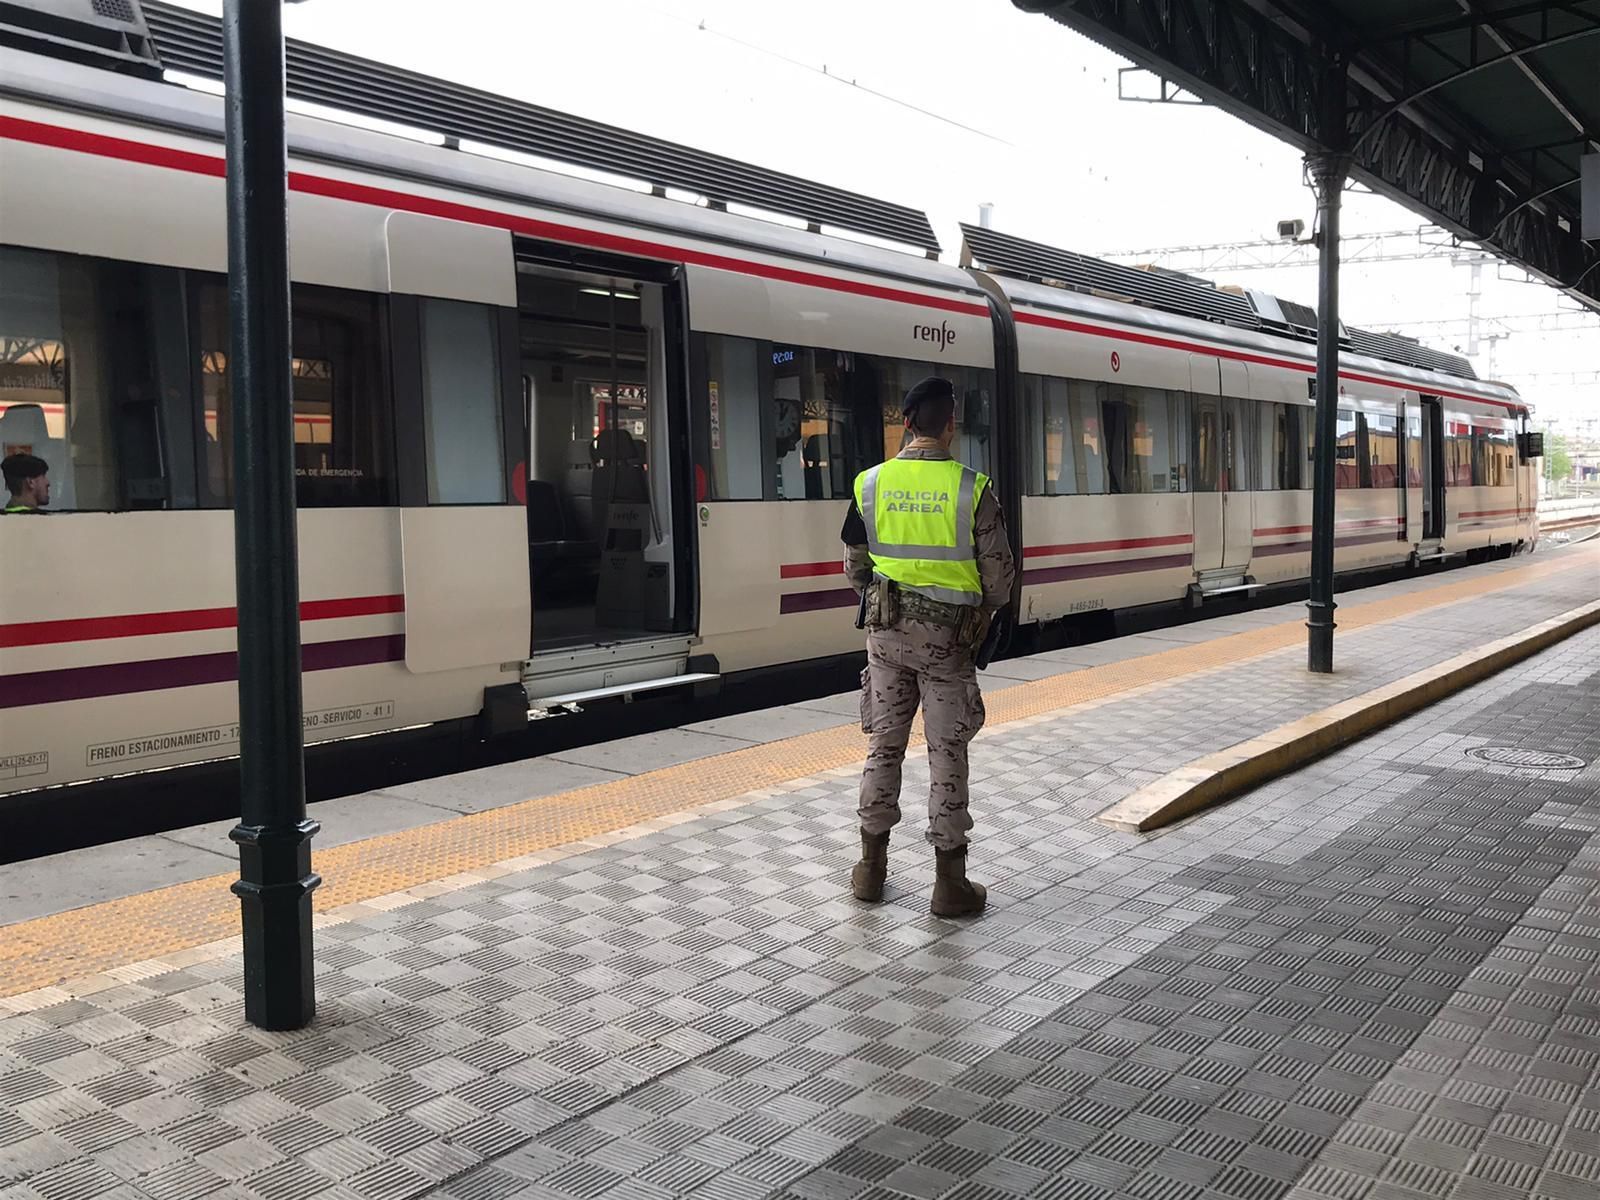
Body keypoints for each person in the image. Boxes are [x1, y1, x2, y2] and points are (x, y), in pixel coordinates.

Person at [841, 377, 1015, 918]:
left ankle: (870, 871)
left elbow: (855, 567)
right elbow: (1001, 580)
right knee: (947, 754)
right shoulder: (972, 489)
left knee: (883, 748)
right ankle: (949, 883)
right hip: (947, 643)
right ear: (950, 425)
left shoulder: (869, 483)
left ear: (908, 422)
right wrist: (974, 612)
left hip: (885, 637)